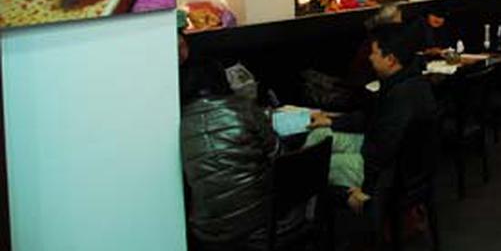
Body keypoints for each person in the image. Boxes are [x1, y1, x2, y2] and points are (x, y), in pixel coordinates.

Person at [180, 32, 304, 250]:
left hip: (207, 232)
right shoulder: (244, 108)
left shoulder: (179, 123)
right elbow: (278, 157)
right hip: (261, 224)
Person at [305, 23, 438, 214]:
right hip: (382, 152)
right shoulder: (408, 80)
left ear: (390, 59)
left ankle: (304, 224)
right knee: (320, 134)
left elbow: (383, 152)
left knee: (315, 165)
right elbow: (373, 118)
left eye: (374, 53)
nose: (369, 57)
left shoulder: (401, 94)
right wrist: (332, 121)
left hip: (388, 172)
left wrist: (367, 189)